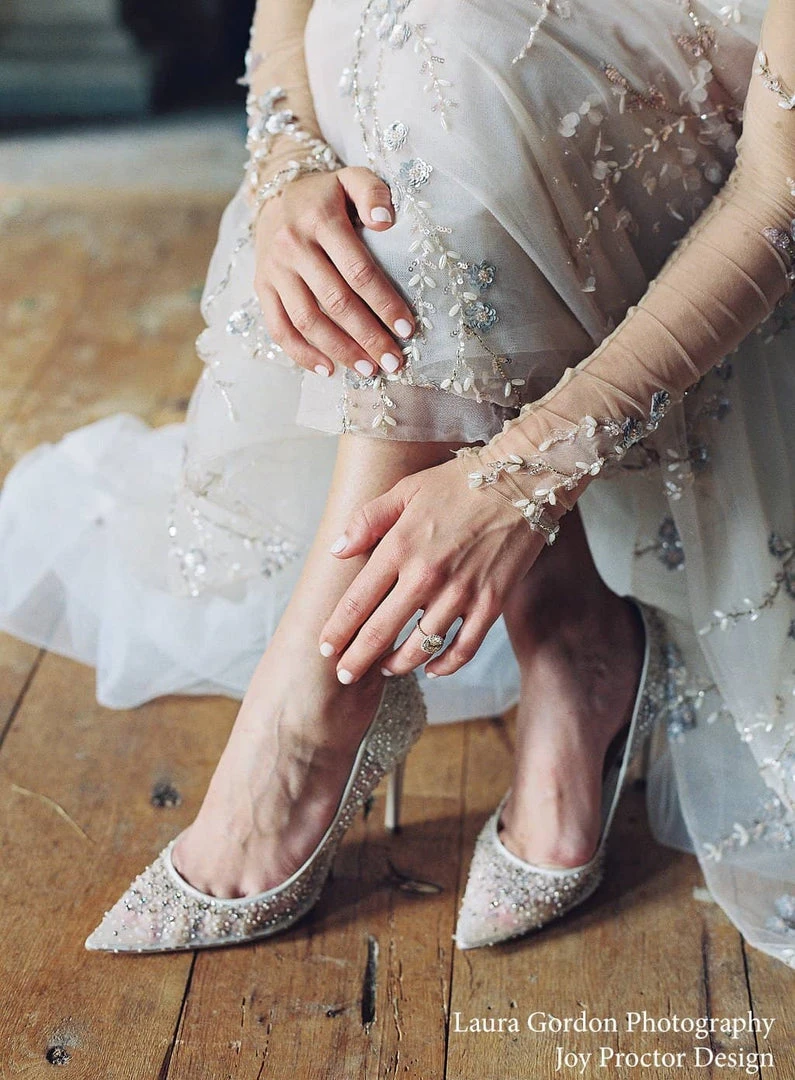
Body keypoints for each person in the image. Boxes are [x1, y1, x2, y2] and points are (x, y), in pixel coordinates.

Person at [0, 0, 792, 962]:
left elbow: (776, 197)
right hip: (458, 113)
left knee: (457, 64)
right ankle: (563, 628)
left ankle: (318, 702)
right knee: (403, 40)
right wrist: (286, 170)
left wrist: (523, 477)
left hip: (715, 144)